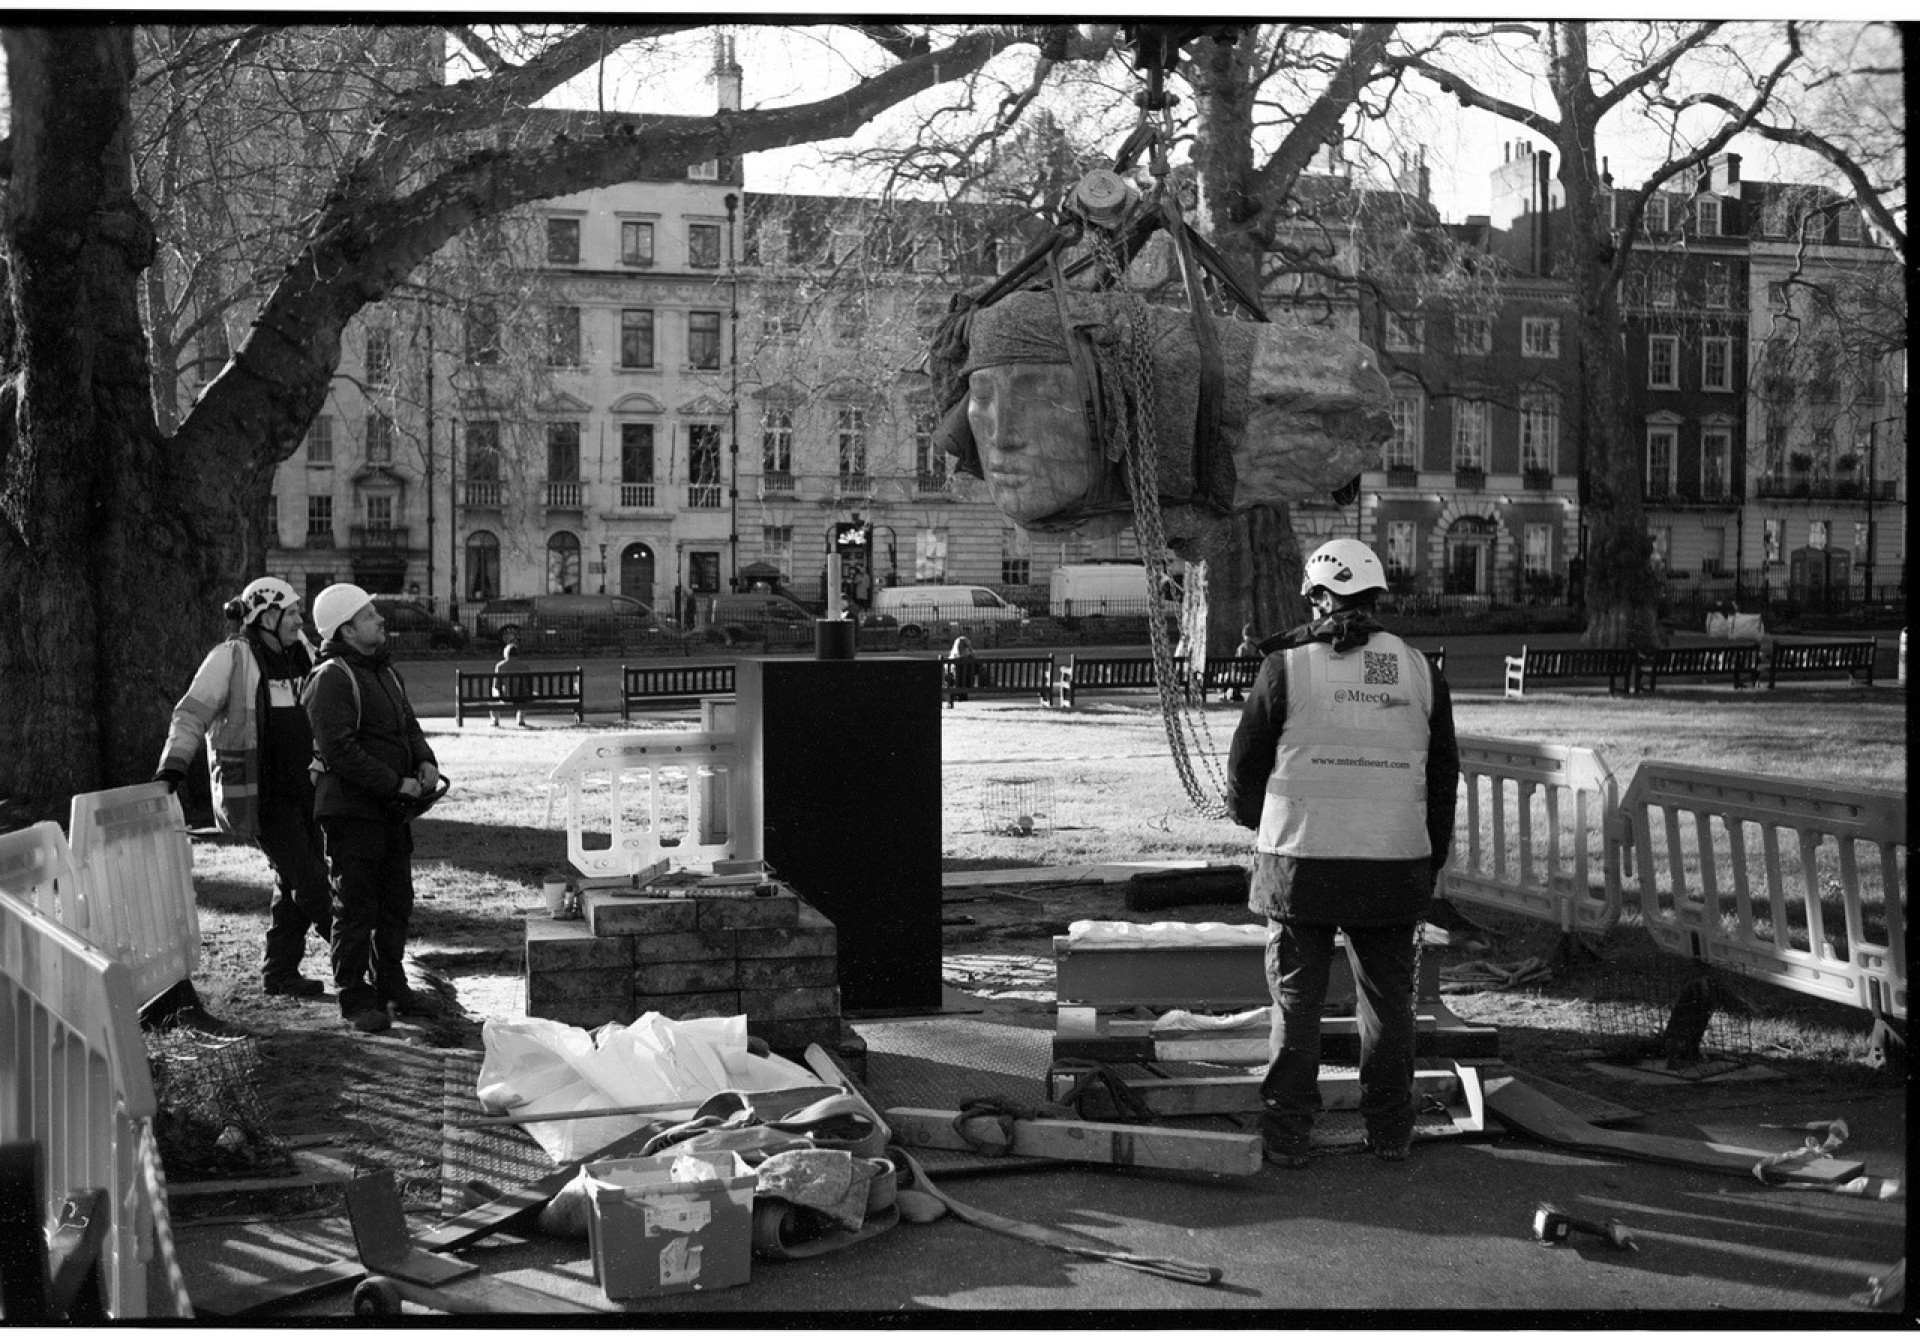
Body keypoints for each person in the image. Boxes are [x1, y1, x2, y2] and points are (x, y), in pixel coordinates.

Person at [1225, 538, 1459, 1169]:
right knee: (1388, 1002)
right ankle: (1389, 1131)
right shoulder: (1418, 670)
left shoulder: (1287, 668)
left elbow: (1244, 773)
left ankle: (1288, 1135)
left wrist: (1259, 822)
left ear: (1317, 597)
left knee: (1297, 1002)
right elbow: (1442, 780)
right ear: (1376, 595)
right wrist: (1426, 863)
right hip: (1392, 866)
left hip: (1302, 864)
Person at [154, 577, 334, 999]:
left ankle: (280, 973)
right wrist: (173, 768)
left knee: (293, 882)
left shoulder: (302, 653)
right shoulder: (231, 658)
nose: (298, 620)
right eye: (290, 614)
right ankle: (362, 964)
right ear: (266, 616)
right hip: (264, 796)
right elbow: (191, 714)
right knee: (310, 883)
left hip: (306, 791)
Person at [303, 583, 442, 1034]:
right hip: (351, 811)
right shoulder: (332, 678)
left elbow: (408, 726)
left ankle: (391, 985)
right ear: (346, 628)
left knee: (396, 901)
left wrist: (425, 762)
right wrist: (393, 781)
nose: (380, 621)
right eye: (369, 616)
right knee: (356, 906)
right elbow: (339, 749)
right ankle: (355, 997)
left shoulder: (386, 672)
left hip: (388, 811)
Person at [490, 642, 530, 728]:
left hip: (506, 697)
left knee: (495, 694)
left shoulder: (500, 666)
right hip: (521, 697)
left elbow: (496, 685)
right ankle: (521, 719)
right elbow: (527, 685)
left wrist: (496, 695)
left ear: (505, 653)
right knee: (525, 693)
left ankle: (495, 720)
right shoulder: (525, 666)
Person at [1230, 621, 1262, 702]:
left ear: (1244, 634)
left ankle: (1236, 694)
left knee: (1233, 672)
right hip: (1260, 675)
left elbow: (1237, 663)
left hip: (1244, 676)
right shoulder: (1262, 644)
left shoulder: (1242, 647)